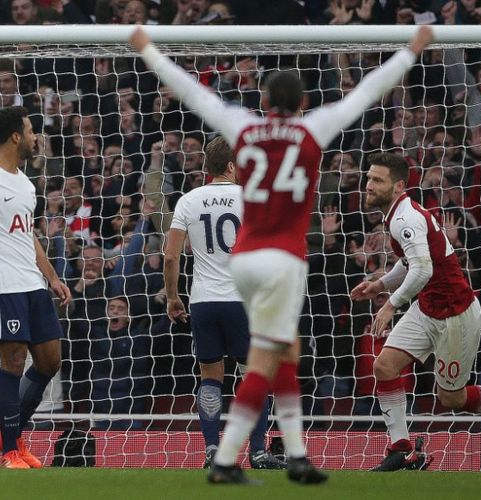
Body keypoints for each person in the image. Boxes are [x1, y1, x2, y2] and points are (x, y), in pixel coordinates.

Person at [129, 24, 434, 484]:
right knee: (271, 358)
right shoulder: (313, 128)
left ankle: (281, 454)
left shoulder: (245, 128)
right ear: (303, 103)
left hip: (244, 260)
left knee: (280, 353)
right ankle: (246, 457)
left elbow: (193, 93)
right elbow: (367, 92)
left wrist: (148, 50)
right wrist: (411, 51)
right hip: (283, 259)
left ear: (265, 101)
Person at [350, 152, 481, 472]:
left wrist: (390, 304)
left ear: (397, 186)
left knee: (451, 398)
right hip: (428, 308)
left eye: (376, 180)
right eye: (368, 178)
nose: (368, 185)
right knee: (385, 367)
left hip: (456, 315)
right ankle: (401, 448)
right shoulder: (396, 214)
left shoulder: (404, 218)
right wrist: (380, 285)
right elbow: (409, 264)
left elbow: (421, 270)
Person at [164, 136, 285, 470]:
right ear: (232, 166)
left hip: (203, 301)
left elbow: (171, 256)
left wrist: (173, 297)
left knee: (210, 378)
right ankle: (258, 451)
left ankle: (212, 450)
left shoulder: (188, 201)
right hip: (242, 301)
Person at [0, 106, 72, 469]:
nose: (35, 138)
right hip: (5, 286)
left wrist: (53, 277)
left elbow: (28, 236)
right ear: (15, 136)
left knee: (49, 361)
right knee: (12, 363)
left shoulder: (25, 184)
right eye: (30, 131)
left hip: (32, 284)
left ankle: (9, 436)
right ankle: (10, 449)